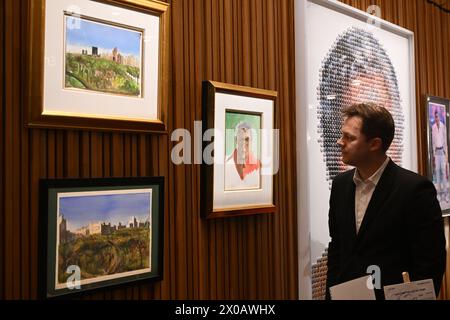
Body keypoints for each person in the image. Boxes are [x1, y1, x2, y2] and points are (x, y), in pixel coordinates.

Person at [326, 103, 446, 300]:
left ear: (374, 144)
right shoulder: (340, 185)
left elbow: (429, 263)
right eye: (342, 135)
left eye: (350, 138)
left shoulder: (414, 189)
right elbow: (337, 248)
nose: (340, 142)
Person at [225, 121, 261, 190]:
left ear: (251, 141)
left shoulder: (258, 166)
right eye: (241, 139)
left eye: (247, 139)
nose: (244, 143)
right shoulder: (225, 165)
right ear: (236, 140)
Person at [431, 110, 449, 203]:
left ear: (439, 117)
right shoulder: (433, 127)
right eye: (436, 117)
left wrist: (446, 156)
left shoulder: (443, 126)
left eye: (438, 117)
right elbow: (433, 142)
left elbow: (445, 141)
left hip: (442, 151)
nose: (437, 118)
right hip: (436, 152)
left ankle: (445, 195)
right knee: (437, 173)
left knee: (443, 173)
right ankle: (438, 194)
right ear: (434, 117)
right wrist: (434, 156)